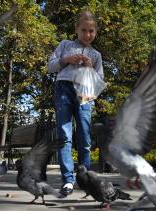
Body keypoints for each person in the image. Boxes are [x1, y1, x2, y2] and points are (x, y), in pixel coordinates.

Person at [47, 11, 103, 196]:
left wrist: (89, 68)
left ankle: (85, 179)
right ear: (76, 30)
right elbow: (50, 66)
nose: (88, 34)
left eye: (91, 31)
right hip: (63, 89)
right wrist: (65, 60)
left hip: (85, 92)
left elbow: (99, 82)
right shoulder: (65, 45)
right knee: (64, 135)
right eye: (84, 30)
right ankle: (68, 181)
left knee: (84, 137)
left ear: (95, 32)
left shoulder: (96, 55)